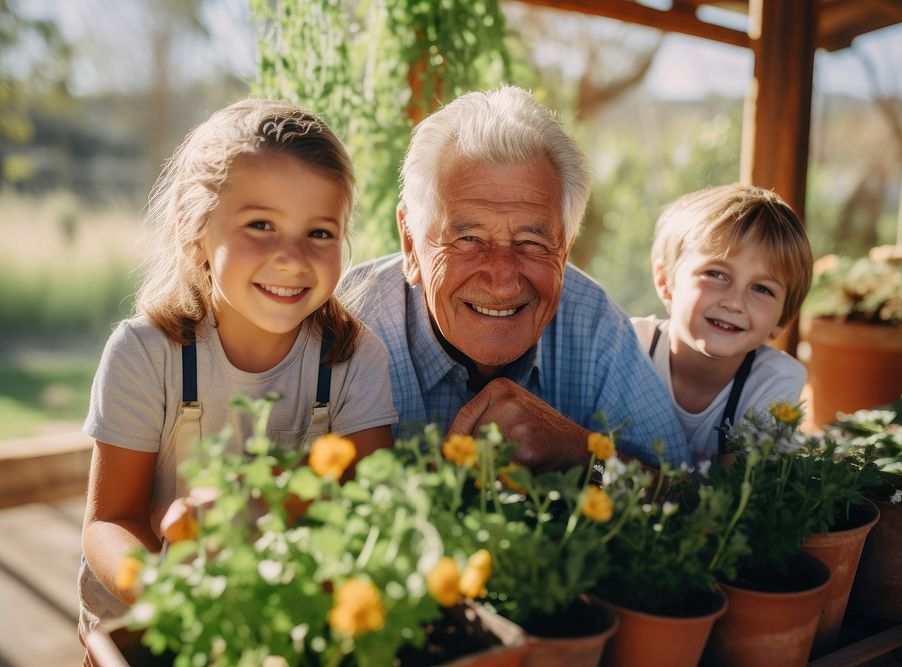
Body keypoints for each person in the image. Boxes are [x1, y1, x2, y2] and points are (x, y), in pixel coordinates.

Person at [78, 99, 397, 635]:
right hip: (141, 623)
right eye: (261, 224)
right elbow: (110, 520)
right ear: (193, 228)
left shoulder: (354, 359)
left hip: (285, 622)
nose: (293, 257)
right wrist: (176, 598)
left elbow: (371, 505)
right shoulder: (144, 353)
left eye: (320, 232)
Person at [340, 86, 686, 471]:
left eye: (532, 241)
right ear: (410, 243)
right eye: (468, 239)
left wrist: (582, 452)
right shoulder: (345, 325)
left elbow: (692, 501)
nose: (503, 281)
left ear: (566, 248)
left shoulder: (593, 325)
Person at [632, 183, 813, 463]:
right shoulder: (632, 346)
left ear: (783, 319)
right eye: (716, 274)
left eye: (762, 289)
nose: (734, 302)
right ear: (665, 280)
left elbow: (742, 483)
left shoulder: (775, 379)